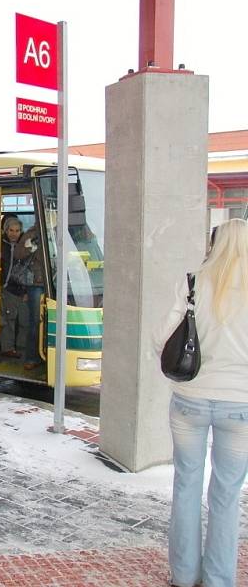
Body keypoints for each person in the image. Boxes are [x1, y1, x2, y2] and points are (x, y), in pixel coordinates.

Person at [156, 218, 248, 587]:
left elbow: (161, 339)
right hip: (241, 407)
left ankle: (183, 575)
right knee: (227, 495)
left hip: (189, 401)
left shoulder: (194, 282)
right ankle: (218, 580)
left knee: (186, 485)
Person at [0, 217, 29, 358]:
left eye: (17, 231)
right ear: (5, 230)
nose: (14, 234)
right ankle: (8, 348)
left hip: (23, 287)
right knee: (9, 319)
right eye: (11, 230)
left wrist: (26, 291)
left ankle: (22, 347)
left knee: (25, 320)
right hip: (7, 288)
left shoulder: (25, 245)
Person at [14, 224, 45, 371]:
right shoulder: (32, 234)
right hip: (37, 283)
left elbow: (87, 238)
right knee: (36, 321)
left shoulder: (64, 230)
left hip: (58, 282)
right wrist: (30, 247)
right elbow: (18, 254)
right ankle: (32, 357)